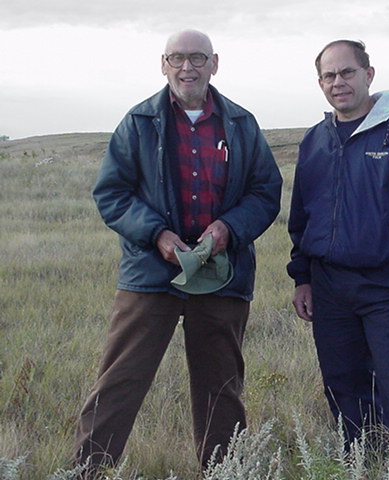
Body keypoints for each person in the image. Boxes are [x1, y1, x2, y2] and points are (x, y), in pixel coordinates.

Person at [74, 29, 282, 477]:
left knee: (221, 388)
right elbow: (112, 193)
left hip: (221, 275)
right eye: (178, 58)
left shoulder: (242, 125)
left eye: (197, 58)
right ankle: (84, 472)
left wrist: (228, 228)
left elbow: (266, 193)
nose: (187, 67)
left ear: (215, 63)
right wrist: (158, 236)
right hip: (151, 275)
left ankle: (223, 472)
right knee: (119, 382)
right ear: (163, 63)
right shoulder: (139, 122)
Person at [287, 40, 389, 468]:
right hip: (328, 287)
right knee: (343, 385)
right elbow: (302, 217)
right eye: (329, 76)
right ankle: (364, 465)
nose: (338, 83)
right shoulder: (316, 141)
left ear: (369, 74)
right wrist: (302, 277)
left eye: (347, 72)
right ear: (320, 83)